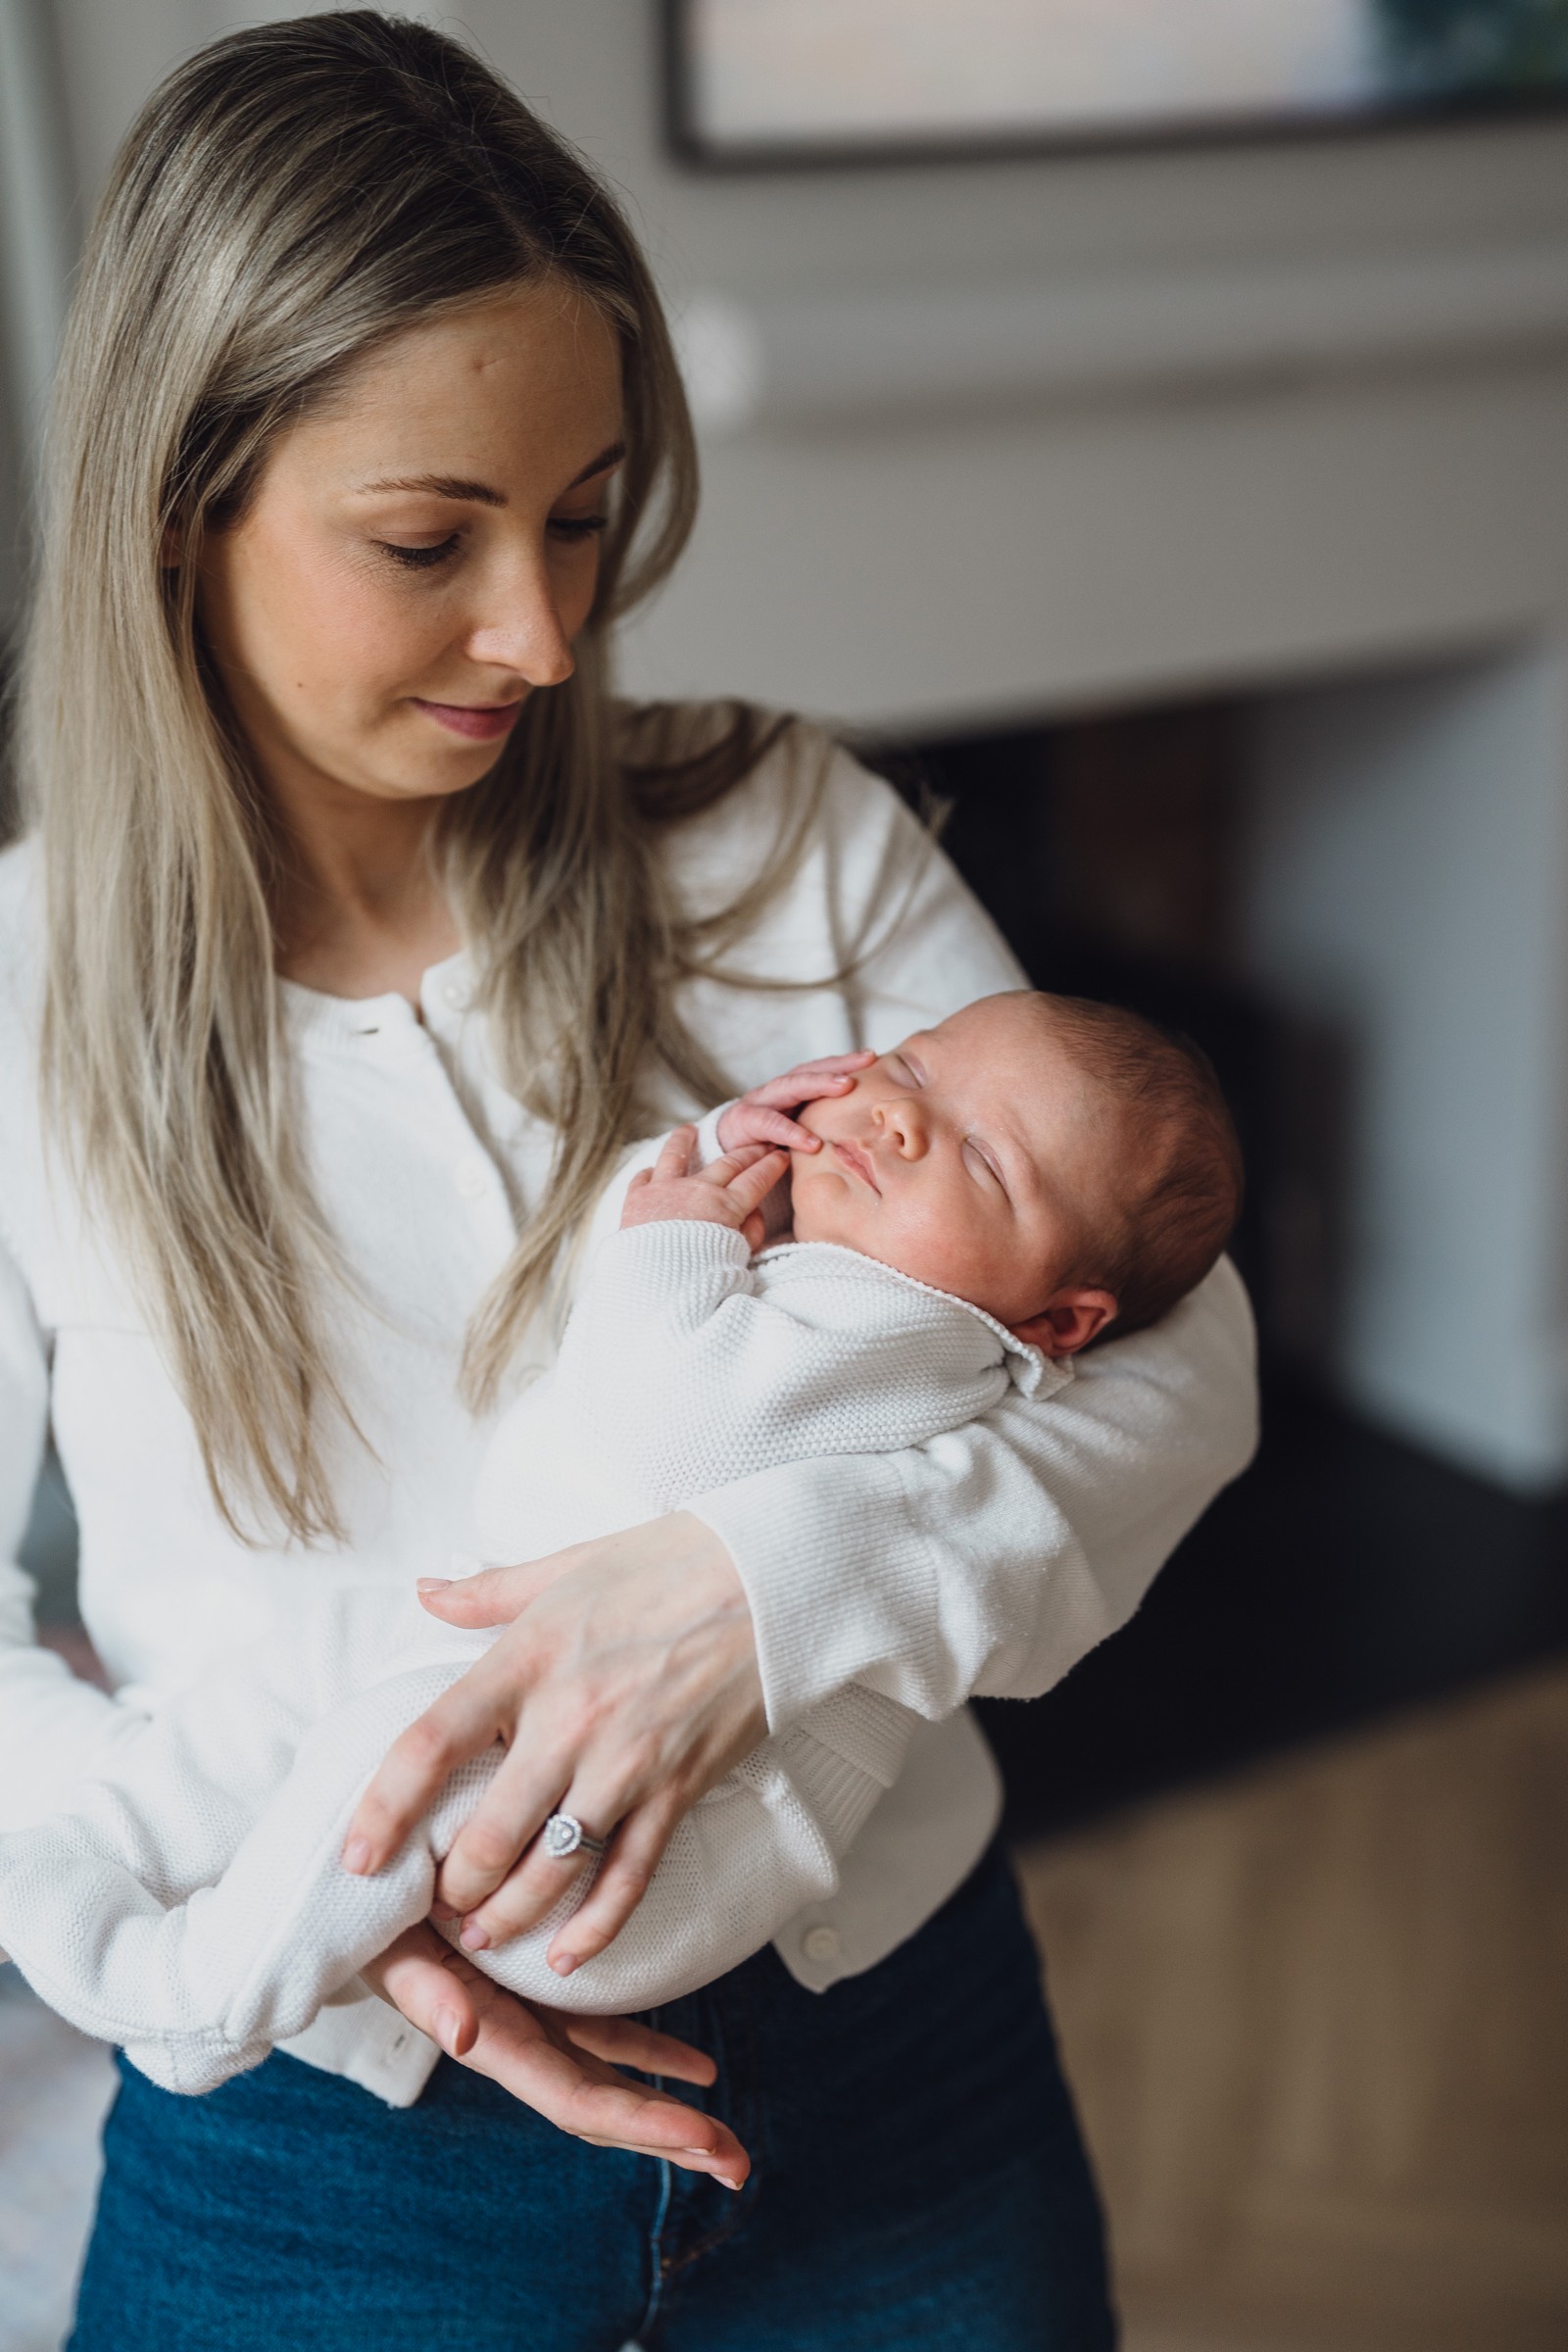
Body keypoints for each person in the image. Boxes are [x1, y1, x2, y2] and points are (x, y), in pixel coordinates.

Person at [0, 14, 1257, 2345]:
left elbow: (1170, 1369)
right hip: (313, 2138)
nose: (544, 632)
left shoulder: (781, 838)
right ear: (183, 494)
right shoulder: (18, 993)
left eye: (580, 513)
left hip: (885, 2059)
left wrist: (757, 1581)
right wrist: (292, 1887)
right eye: (426, 538)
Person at [0, 992, 1244, 2086]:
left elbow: (674, 1423)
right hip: (517, 1717)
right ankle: (110, 1846)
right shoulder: (847, 1283)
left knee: (385, 1754)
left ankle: (200, 1994)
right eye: (910, 1065)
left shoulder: (913, 1332)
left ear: (1061, 1318)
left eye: (984, 1159)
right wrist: (713, 1166)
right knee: (317, 1671)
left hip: (636, 1865)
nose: (900, 1119)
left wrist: (681, 1219)